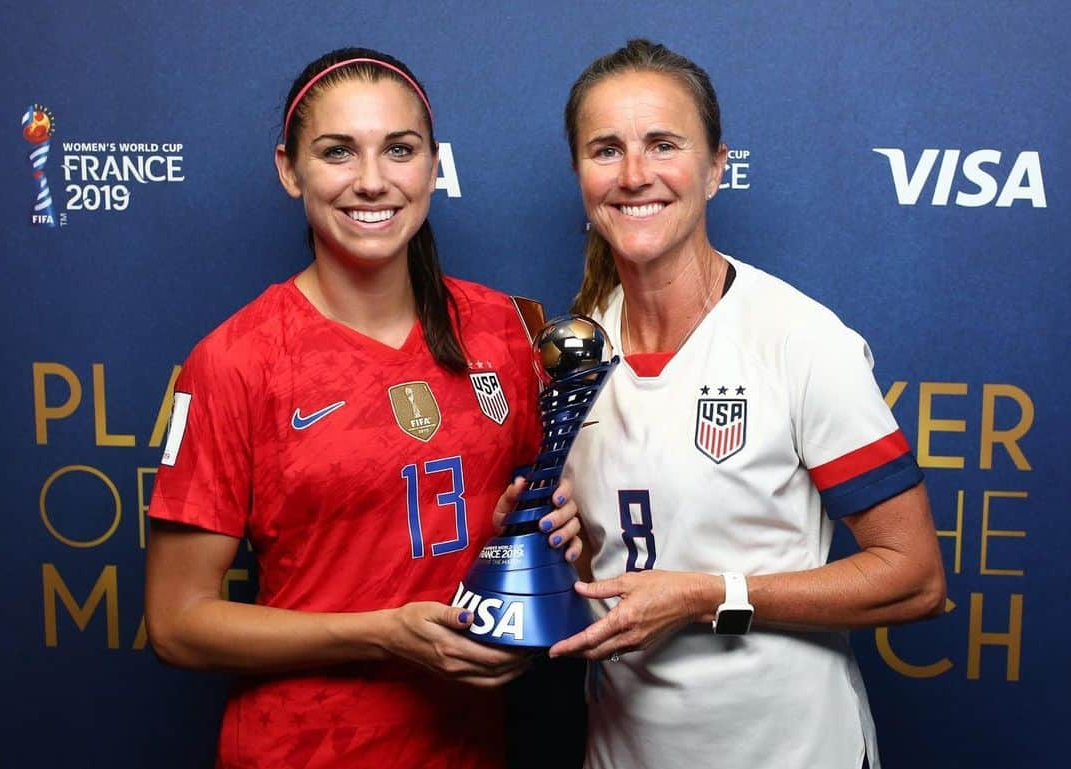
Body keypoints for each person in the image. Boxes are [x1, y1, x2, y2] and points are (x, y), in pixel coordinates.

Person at [144, 47, 583, 769]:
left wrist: (546, 528)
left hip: (470, 746)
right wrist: (381, 632)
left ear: (433, 165)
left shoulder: (505, 328)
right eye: (338, 152)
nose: (372, 181)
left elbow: (544, 537)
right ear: (290, 170)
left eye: (399, 150)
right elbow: (177, 622)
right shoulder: (236, 360)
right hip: (301, 748)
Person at [548, 39, 947, 769]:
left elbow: (915, 575)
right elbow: (601, 548)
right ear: (579, 173)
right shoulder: (574, 348)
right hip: (622, 748)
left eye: (663, 144)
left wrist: (709, 594)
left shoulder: (799, 339)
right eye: (606, 149)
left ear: (716, 168)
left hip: (790, 749)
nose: (635, 174)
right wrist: (556, 537)